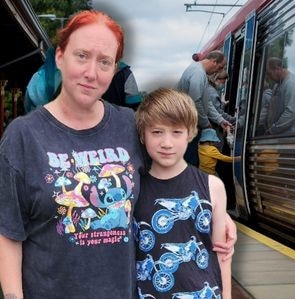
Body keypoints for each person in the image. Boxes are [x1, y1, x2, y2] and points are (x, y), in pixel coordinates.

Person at [0, 10, 236, 299]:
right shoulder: (23, 136)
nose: (91, 73)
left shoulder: (128, 125)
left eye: (104, 62)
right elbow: (8, 232)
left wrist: (219, 217)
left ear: (114, 70)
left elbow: (169, 179)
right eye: (81, 56)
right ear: (60, 57)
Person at [134, 88, 232, 298]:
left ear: (190, 133)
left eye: (176, 132)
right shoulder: (132, 188)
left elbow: (223, 254)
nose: (167, 143)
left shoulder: (213, 186)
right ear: (143, 135)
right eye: (157, 132)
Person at [177, 50, 231, 166]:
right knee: (190, 163)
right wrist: (206, 123)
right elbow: (195, 101)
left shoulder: (198, 71)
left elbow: (206, 102)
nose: (219, 71)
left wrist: (220, 120)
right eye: (220, 67)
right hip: (189, 126)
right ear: (214, 62)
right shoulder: (198, 74)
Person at [264, 57, 295, 134]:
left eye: (269, 74)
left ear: (277, 69)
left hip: (294, 137)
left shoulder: (291, 84)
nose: (269, 78)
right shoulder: (277, 86)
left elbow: (291, 113)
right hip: (281, 135)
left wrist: (273, 130)